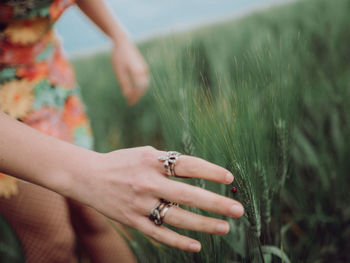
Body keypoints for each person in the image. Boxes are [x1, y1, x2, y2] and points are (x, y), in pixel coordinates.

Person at [0, 0, 244, 262]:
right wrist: (91, 172)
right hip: (7, 106)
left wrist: (118, 36)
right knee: (54, 241)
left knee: (98, 221)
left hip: (50, 79)